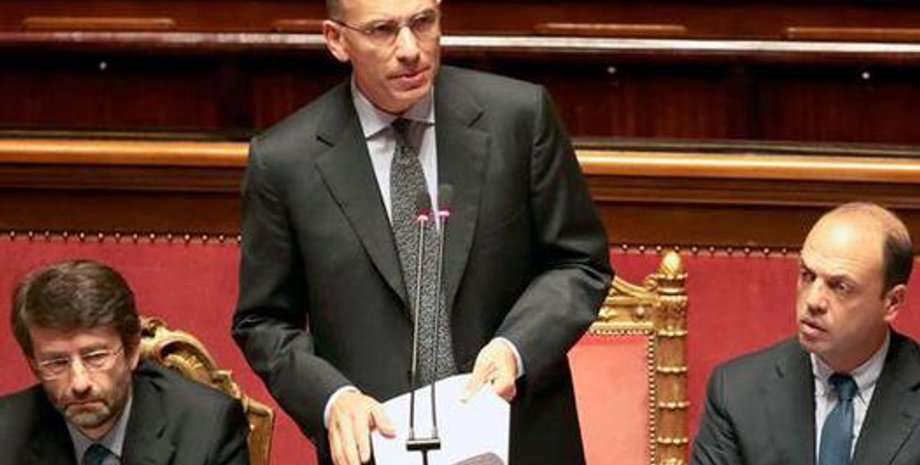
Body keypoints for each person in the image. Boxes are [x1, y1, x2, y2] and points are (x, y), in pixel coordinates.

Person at [230, 0, 613, 464]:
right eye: (383, 30)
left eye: (423, 22)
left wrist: (515, 348)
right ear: (336, 40)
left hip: (519, 435)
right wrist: (333, 398)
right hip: (379, 448)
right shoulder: (284, 162)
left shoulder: (519, 117)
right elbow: (263, 321)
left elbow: (579, 262)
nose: (410, 49)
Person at [691, 202, 920, 465]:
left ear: (892, 303)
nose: (813, 301)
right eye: (807, 276)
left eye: (840, 287)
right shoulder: (737, 393)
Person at [0, 260, 250, 465]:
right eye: (56, 362)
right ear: (34, 365)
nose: (79, 383)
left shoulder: (207, 427)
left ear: (132, 352)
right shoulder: (6, 433)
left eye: (96, 357)